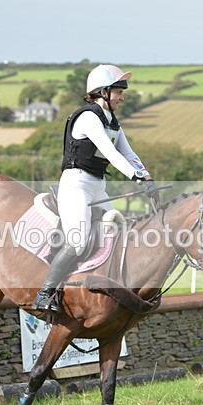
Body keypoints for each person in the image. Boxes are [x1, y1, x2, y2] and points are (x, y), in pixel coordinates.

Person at [31, 64, 160, 313]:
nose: (122, 97)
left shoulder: (112, 121)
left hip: (98, 185)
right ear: (103, 92)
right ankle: (45, 293)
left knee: (116, 234)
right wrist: (136, 177)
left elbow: (128, 152)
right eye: (118, 92)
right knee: (78, 242)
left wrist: (147, 176)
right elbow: (110, 152)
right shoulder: (89, 117)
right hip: (76, 184)